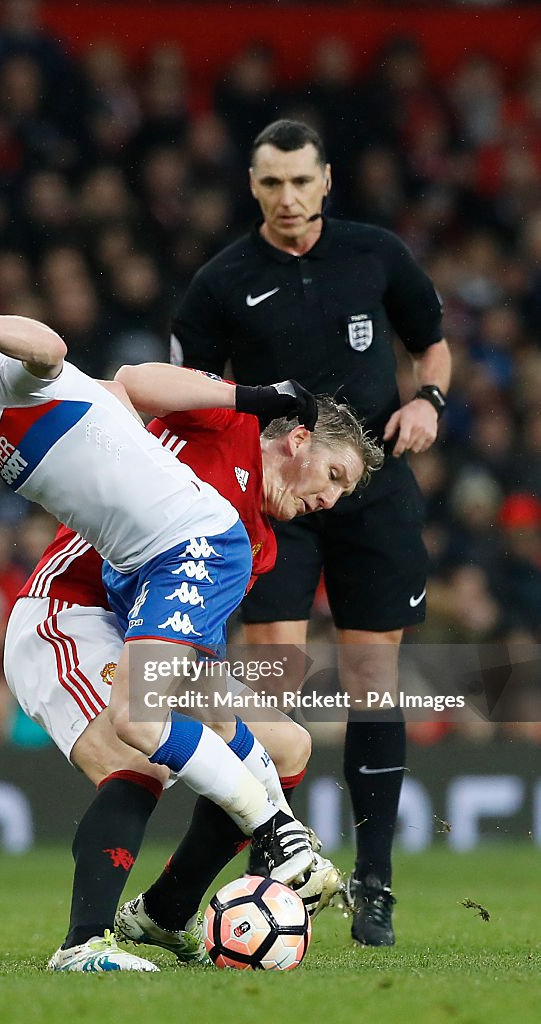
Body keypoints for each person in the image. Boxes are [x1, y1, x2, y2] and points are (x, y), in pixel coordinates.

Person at [0, 270, 326, 918]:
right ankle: (245, 859)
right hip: (141, 566)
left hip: (186, 544)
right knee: (204, 717)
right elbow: (117, 396)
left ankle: (274, 837)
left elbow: (46, 345)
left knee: (139, 720)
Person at [170, 119, 452, 946]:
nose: (287, 199)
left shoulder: (377, 255)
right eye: (270, 184)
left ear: (326, 180)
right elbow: (189, 389)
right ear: (251, 187)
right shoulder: (220, 282)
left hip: (369, 490)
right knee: (271, 689)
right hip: (275, 500)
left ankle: (374, 884)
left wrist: (425, 403)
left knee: (373, 678)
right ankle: (274, 866)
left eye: (300, 181)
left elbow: (432, 349)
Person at [2, 360, 381, 971]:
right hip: (68, 613)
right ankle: (84, 944)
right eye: (334, 476)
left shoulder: (260, 544)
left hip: (138, 636)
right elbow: (128, 381)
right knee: (138, 750)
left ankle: (165, 913)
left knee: (285, 746)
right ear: (298, 439)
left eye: (342, 493)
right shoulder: (226, 421)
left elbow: (192, 647)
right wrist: (249, 392)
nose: (329, 500)